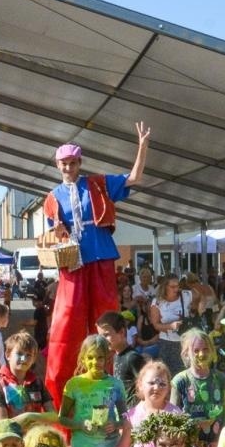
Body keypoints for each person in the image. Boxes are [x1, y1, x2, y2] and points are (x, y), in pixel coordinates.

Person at [40, 127, 152, 403]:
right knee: (68, 321)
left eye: (73, 162)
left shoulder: (98, 184)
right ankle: (66, 383)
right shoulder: (52, 199)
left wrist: (142, 145)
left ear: (79, 163)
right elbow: (55, 236)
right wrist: (58, 232)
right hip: (73, 264)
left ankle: (114, 373)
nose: (68, 167)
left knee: (105, 317)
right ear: (58, 165)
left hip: (100, 256)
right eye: (64, 163)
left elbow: (135, 178)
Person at [171, 330, 225, 447]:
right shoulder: (180, 381)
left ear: (212, 351)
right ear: (186, 354)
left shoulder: (221, 379)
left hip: (217, 443)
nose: (201, 354)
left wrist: (224, 439)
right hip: (189, 445)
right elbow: (172, 417)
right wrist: (194, 425)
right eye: (196, 350)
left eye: (206, 349)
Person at [0, 329, 56, 426]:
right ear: (8, 355)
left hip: (35, 438)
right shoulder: (0, 386)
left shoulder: (38, 383)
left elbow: (53, 416)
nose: (24, 358)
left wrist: (32, 417)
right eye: (20, 353)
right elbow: (0, 424)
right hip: (11, 439)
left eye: (29, 355)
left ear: (34, 359)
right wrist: (26, 418)